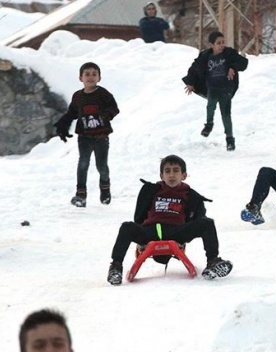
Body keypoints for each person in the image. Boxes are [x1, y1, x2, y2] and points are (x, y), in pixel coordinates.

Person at [106, 154, 233, 285]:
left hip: (177, 231)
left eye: (176, 171)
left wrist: (184, 240)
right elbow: (139, 215)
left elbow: (197, 217)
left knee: (207, 223)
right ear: (161, 176)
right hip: (150, 231)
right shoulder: (151, 190)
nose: (171, 175)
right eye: (167, 171)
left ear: (183, 175)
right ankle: (116, 267)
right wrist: (140, 240)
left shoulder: (191, 196)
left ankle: (213, 261)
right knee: (127, 226)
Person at [54, 62, 119, 208]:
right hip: (84, 136)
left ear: (99, 78)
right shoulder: (78, 96)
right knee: (83, 163)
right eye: (87, 74)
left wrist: (106, 115)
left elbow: (114, 108)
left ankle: (105, 187)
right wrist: (63, 124)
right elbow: (72, 113)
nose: (91, 77)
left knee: (101, 166)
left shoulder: (103, 94)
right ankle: (81, 195)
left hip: (101, 136)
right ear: (80, 77)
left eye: (94, 74)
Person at [182, 31, 249, 150]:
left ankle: (230, 139)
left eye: (223, 42)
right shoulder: (205, 56)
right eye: (218, 43)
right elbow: (194, 68)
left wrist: (233, 67)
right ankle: (209, 125)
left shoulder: (229, 53)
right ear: (211, 45)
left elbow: (243, 63)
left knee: (226, 114)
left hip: (226, 89)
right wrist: (190, 82)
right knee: (210, 107)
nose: (222, 45)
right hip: (212, 88)